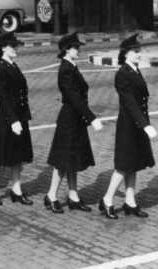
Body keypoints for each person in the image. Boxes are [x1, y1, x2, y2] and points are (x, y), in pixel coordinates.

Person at [44, 32, 104, 213]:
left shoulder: (72, 66)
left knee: (73, 159)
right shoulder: (66, 69)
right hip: (69, 118)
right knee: (63, 160)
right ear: (66, 50)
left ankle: (73, 195)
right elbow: (74, 98)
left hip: (75, 118)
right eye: (75, 48)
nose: (78, 50)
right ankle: (51, 195)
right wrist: (92, 117)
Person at [100, 34, 157, 219]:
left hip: (137, 125)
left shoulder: (135, 70)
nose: (139, 54)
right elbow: (130, 102)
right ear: (125, 54)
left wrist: (144, 124)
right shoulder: (122, 74)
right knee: (124, 165)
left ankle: (130, 201)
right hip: (128, 126)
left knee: (135, 164)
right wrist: (145, 125)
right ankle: (107, 199)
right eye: (135, 51)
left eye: (139, 51)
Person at [0, 32, 33, 206]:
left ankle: (16, 189)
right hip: (7, 118)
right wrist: (13, 120)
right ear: (3, 48)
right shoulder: (0, 69)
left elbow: (22, 92)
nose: (16, 49)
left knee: (18, 154)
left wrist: (23, 116)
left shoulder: (13, 66)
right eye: (13, 46)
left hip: (19, 116)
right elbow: (3, 97)